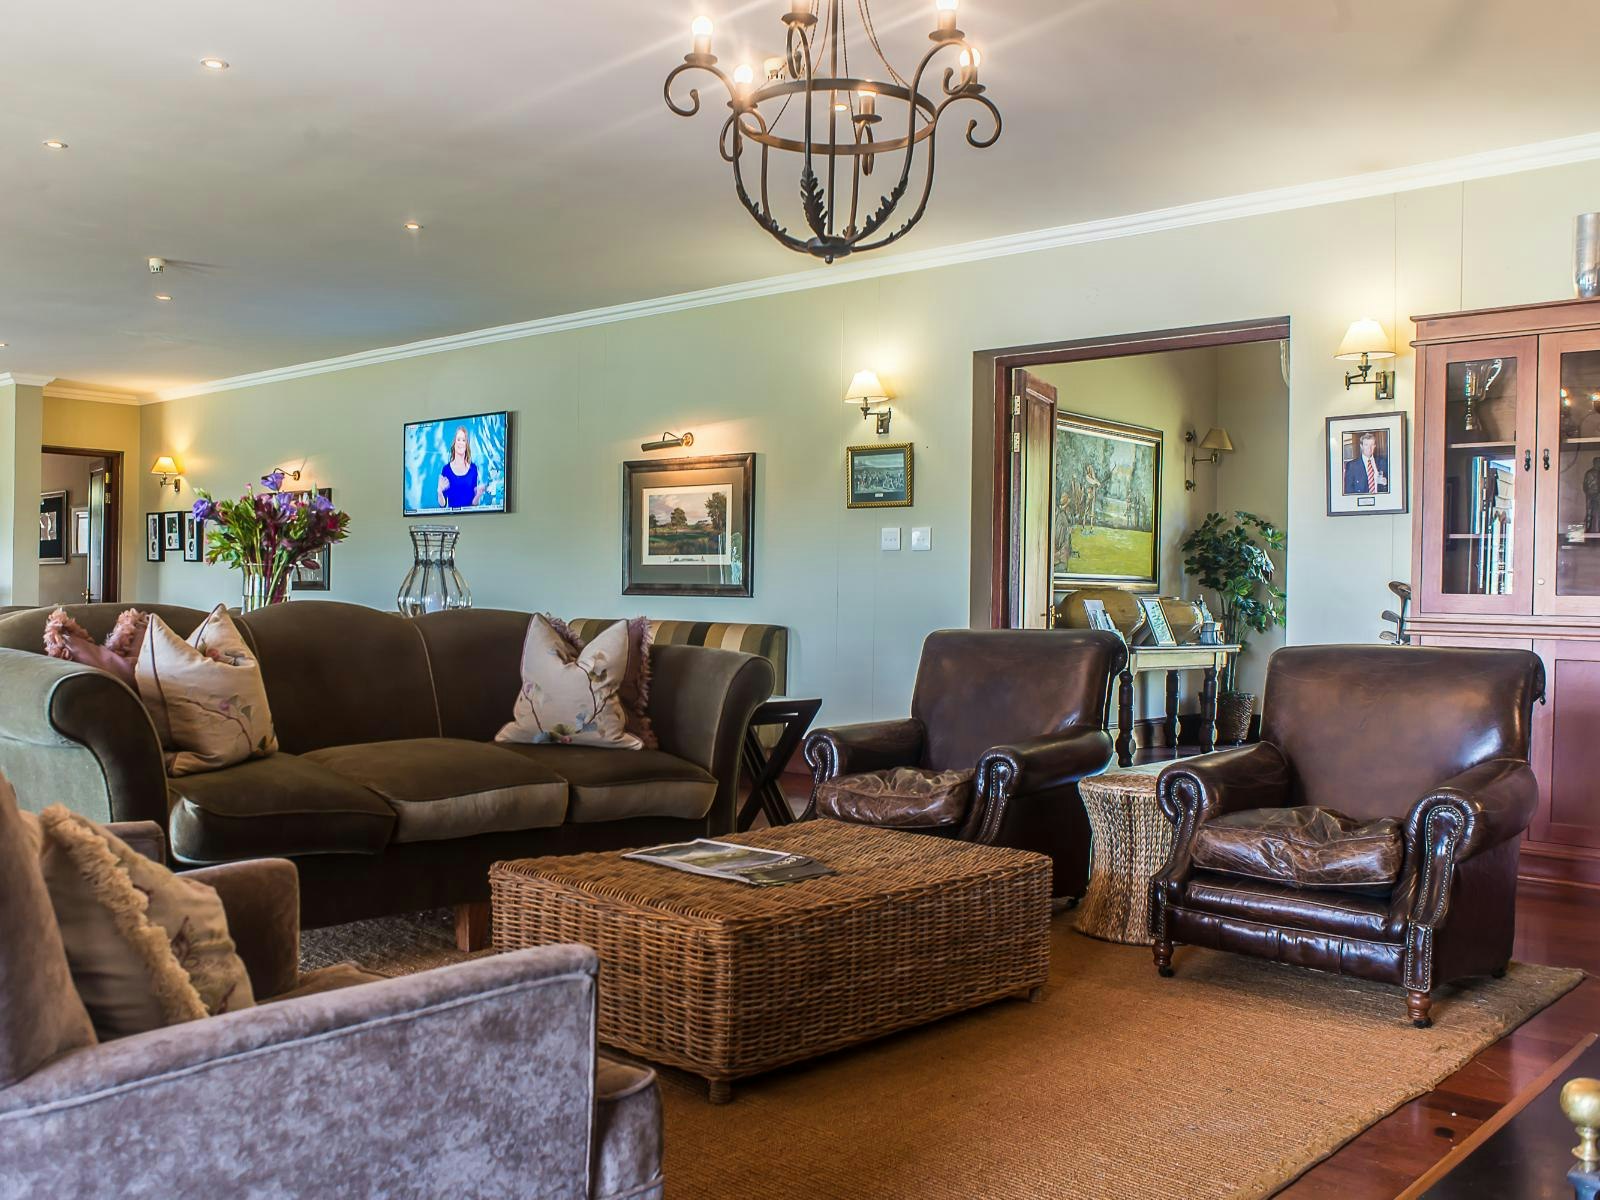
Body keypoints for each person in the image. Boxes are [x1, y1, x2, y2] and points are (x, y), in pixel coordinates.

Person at [437, 425, 488, 509]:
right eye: (458, 439)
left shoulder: (473, 469)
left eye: (463, 440)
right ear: (454, 443)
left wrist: (478, 495)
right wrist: (439, 492)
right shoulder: (446, 470)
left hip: (470, 516)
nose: (460, 442)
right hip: (452, 514)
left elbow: (474, 504)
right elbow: (443, 505)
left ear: (466, 445)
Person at [1343, 430, 1388, 495]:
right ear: (1361, 446)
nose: (1369, 448)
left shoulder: (1382, 462)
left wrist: (1385, 484)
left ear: (1375, 446)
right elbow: (1348, 491)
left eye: (1372, 445)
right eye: (1366, 445)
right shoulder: (1352, 466)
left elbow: (1389, 488)